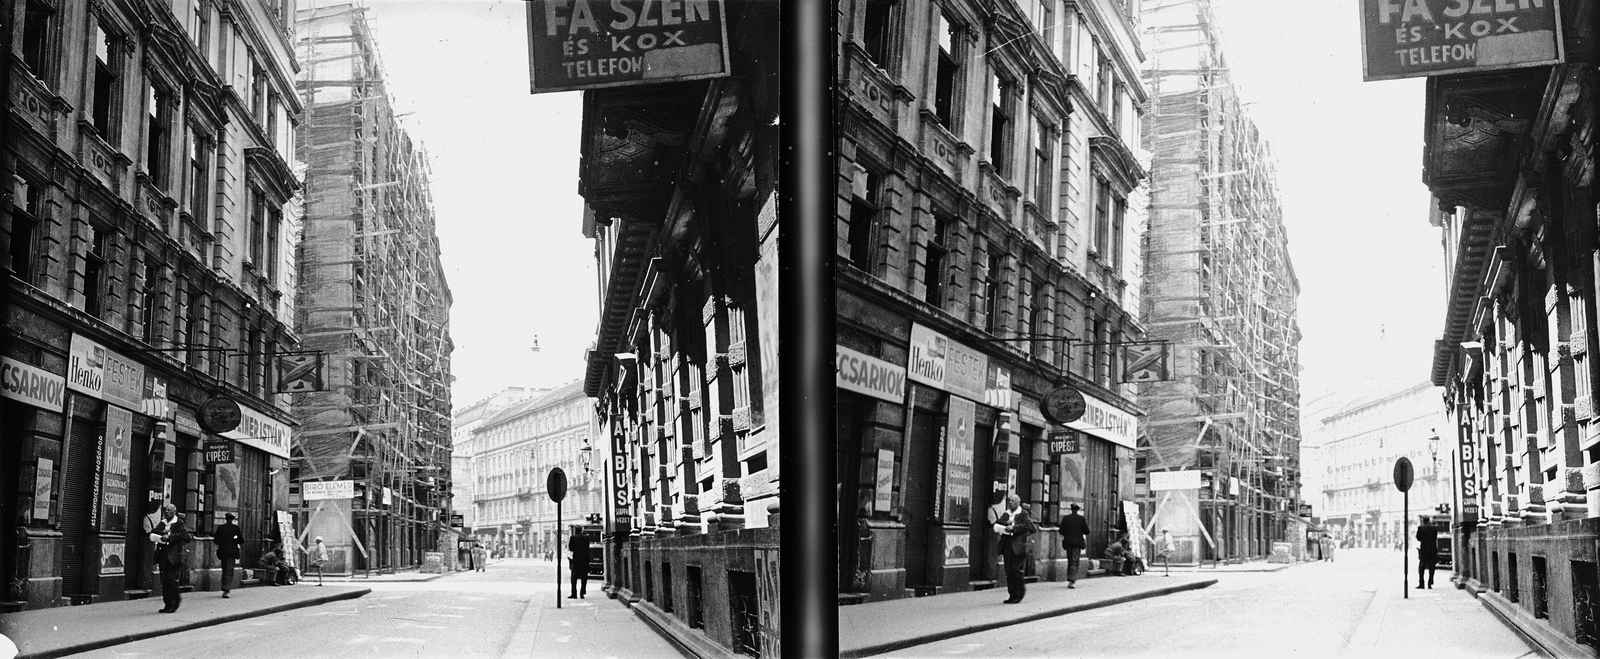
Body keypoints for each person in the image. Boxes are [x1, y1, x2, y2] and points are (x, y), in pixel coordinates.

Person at [995, 493, 1037, 604]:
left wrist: (1014, 528)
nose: (1010, 502)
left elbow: (1029, 526)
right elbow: (998, 523)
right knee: (1008, 572)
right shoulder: (1006, 514)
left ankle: (1019, 594)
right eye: (1009, 501)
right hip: (1007, 545)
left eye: (1013, 501)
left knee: (1016, 571)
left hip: (1019, 546)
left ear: (1018, 502)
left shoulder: (1023, 513)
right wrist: (1006, 523)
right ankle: (1012, 595)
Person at [150, 503, 192, 613]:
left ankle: (175, 602)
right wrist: (162, 532)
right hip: (163, 555)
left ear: (174, 512)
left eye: (169, 510)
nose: (166, 512)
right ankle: (167, 604)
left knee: (171, 580)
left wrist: (169, 537)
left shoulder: (179, 523)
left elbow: (186, 536)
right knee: (164, 581)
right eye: (165, 510)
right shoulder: (163, 523)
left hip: (174, 556)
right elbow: (153, 532)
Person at [1057, 503, 1090, 589]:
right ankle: (1071, 580)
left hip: (1068, 543)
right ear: (1077, 510)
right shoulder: (1081, 519)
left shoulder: (1066, 518)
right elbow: (1087, 531)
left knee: (1070, 560)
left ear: (1071, 509)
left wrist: (1068, 534)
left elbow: (1061, 531)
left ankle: (1070, 578)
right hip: (1077, 543)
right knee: (1075, 561)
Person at [213, 513, 243, 598]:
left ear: (226, 519)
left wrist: (223, 543)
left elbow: (216, 540)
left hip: (223, 552)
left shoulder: (220, 528)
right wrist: (234, 540)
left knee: (224, 570)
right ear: (232, 519)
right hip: (231, 553)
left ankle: (224, 588)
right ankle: (226, 590)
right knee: (229, 571)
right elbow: (241, 540)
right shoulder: (236, 528)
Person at [1416, 515, 1439, 589]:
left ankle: (1421, 583)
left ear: (1423, 520)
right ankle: (1430, 583)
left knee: (1421, 566)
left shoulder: (1420, 528)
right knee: (1432, 567)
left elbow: (1418, 538)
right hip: (1432, 549)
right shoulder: (1434, 528)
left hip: (1424, 549)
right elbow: (1435, 538)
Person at [568, 527, 591, 598]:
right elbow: (587, 547)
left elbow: (570, 548)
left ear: (575, 531)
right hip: (585, 559)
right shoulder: (586, 537)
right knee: (584, 577)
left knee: (574, 577)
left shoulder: (573, 537)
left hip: (576, 559)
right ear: (581, 530)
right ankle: (582, 593)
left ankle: (574, 593)